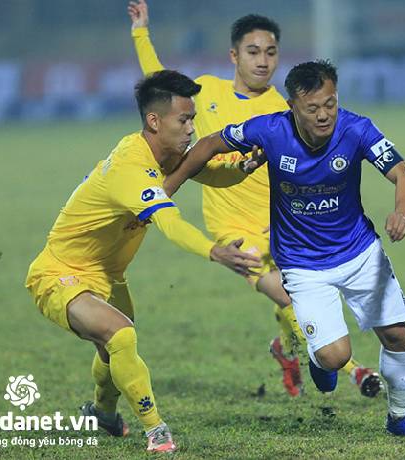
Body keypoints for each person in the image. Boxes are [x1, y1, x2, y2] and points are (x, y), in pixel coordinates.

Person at [164, 60, 405, 437]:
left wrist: (401, 213)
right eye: (312, 108)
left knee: (397, 335)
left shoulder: (357, 129)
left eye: (330, 103)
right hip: (302, 265)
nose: (324, 115)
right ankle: (319, 359)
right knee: (335, 357)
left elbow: (403, 174)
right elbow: (210, 144)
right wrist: (167, 189)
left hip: (360, 253)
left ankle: (400, 417)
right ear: (292, 106)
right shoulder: (269, 130)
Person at [127, 0, 380, 398]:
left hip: (283, 224)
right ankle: (354, 370)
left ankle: (286, 349)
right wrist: (141, 31)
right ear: (234, 55)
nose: (263, 61)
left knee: (297, 296)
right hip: (234, 230)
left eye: (271, 52)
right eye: (253, 51)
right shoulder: (206, 92)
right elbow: (158, 83)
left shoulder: (284, 109)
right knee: (287, 294)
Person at [25, 70, 261, 453]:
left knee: (111, 348)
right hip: (59, 273)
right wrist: (213, 250)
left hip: (108, 275)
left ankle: (103, 412)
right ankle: (156, 431)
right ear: (154, 121)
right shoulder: (130, 169)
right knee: (120, 334)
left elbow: (204, 170)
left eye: (193, 118)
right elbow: (170, 222)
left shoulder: (162, 154)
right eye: (184, 120)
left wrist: (241, 168)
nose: (191, 128)